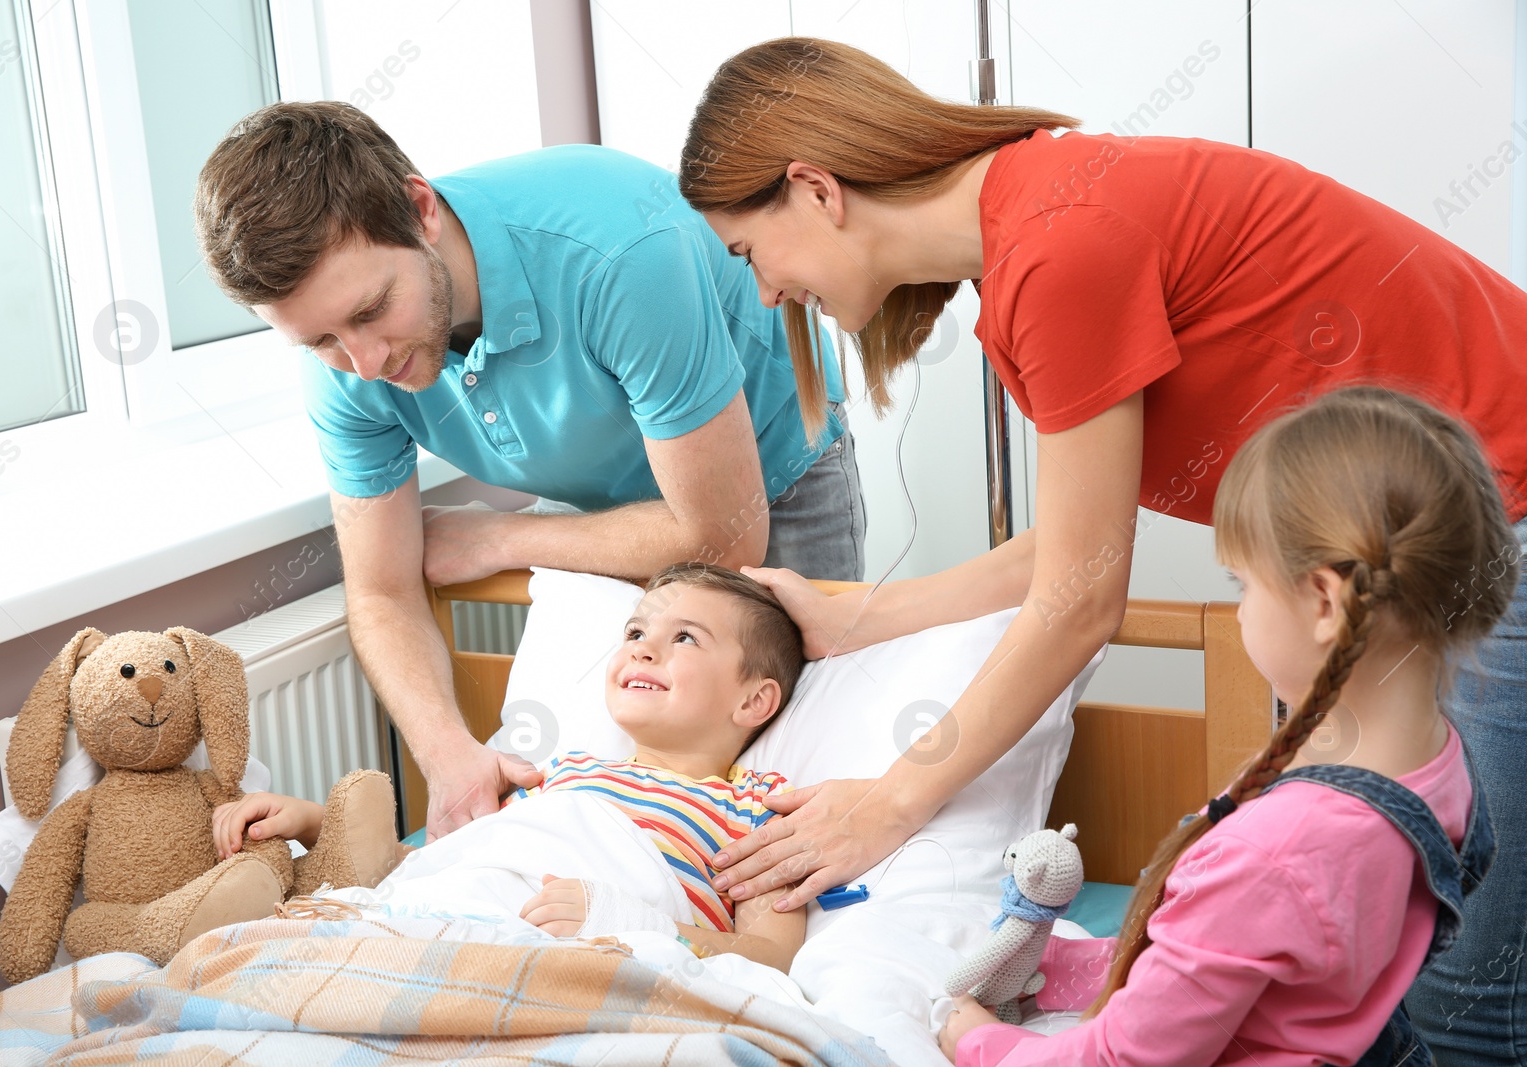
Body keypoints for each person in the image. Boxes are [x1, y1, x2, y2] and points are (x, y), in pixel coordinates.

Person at [678, 39, 1527, 1063]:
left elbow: (1083, 602)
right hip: (1437, 539)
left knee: (1470, 982)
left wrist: (888, 804)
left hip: (1495, 511)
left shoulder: (1057, 246)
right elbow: (1075, 550)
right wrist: (856, 612)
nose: (765, 292)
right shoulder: (1031, 240)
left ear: (813, 189)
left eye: (745, 252)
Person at [194, 102, 867, 844]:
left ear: (422, 211)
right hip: (607, 500)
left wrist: (500, 540)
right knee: (604, 772)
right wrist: (452, 759)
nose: (367, 364)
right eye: (321, 340)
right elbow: (383, 590)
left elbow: (721, 536)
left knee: (783, 778)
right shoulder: (347, 369)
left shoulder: (617, 251)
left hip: (763, 478)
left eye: (374, 310)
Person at [936, 387, 1512, 1064]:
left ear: (1325, 601)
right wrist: (1070, 962)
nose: (1239, 611)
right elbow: (1253, 963)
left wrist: (972, 1036)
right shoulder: (1439, 765)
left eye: (1243, 585)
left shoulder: (1272, 851)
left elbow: (1119, 1059)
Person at [211, 563, 807, 972]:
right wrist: (317, 823)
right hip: (451, 923)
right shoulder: (559, 774)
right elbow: (452, 866)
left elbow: (768, 958)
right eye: (634, 631)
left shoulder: (757, 808)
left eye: (687, 638)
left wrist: (623, 922)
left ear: (754, 699)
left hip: (566, 957)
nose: (643, 648)